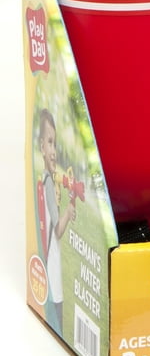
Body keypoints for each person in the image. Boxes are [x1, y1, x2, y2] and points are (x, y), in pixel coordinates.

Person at [38, 108, 76, 333]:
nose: (53, 151)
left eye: (55, 144)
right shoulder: (49, 184)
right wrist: (69, 212)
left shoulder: (44, 180)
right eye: (50, 143)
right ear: (42, 147)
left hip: (49, 258)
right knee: (59, 312)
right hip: (53, 262)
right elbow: (58, 230)